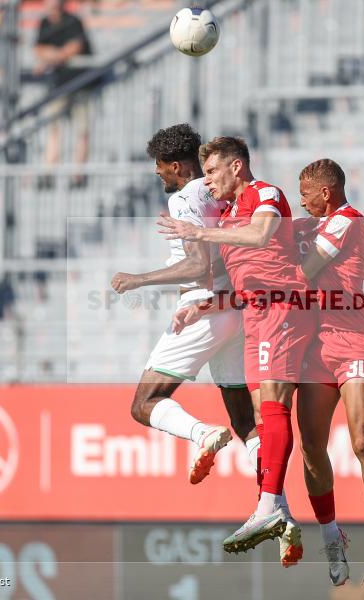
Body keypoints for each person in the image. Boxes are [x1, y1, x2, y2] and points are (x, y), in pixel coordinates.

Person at [159, 137, 312, 567]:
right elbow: (243, 287)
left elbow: (263, 234)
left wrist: (198, 231)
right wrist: (201, 308)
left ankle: (270, 507)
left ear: (237, 167)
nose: (207, 182)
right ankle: (278, 509)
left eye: (212, 172)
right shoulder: (226, 219)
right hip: (256, 316)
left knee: (274, 409)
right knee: (263, 416)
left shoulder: (266, 194)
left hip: (283, 309)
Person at [109, 124, 256, 486]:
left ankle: (201, 434)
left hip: (201, 312)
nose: (157, 173)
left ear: (175, 165)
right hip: (234, 311)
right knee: (245, 422)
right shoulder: (221, 192)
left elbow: (197, 265)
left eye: (159, 166)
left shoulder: (184, 198)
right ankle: (275, 505)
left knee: (144, 404)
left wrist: (138, 279)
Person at [295, 159, 364, 586]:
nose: (300, 200)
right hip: (318, 346)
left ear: (326, 193)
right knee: (312, 445)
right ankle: (330, 534)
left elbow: (303, 272)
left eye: (304, 193)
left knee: (361, 439)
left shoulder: (348, 221)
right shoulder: (313, 226)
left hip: (353, 340)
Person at [34, 0, 92, 183]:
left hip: (80, 84)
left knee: (82, 130)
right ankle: (49, 171)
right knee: (53, 127)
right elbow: (39, 49)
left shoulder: (73, 21)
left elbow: (75, 47)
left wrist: (54, 57)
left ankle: (78, 174)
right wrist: (55, 55)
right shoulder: (44, 23)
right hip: (59, 86)